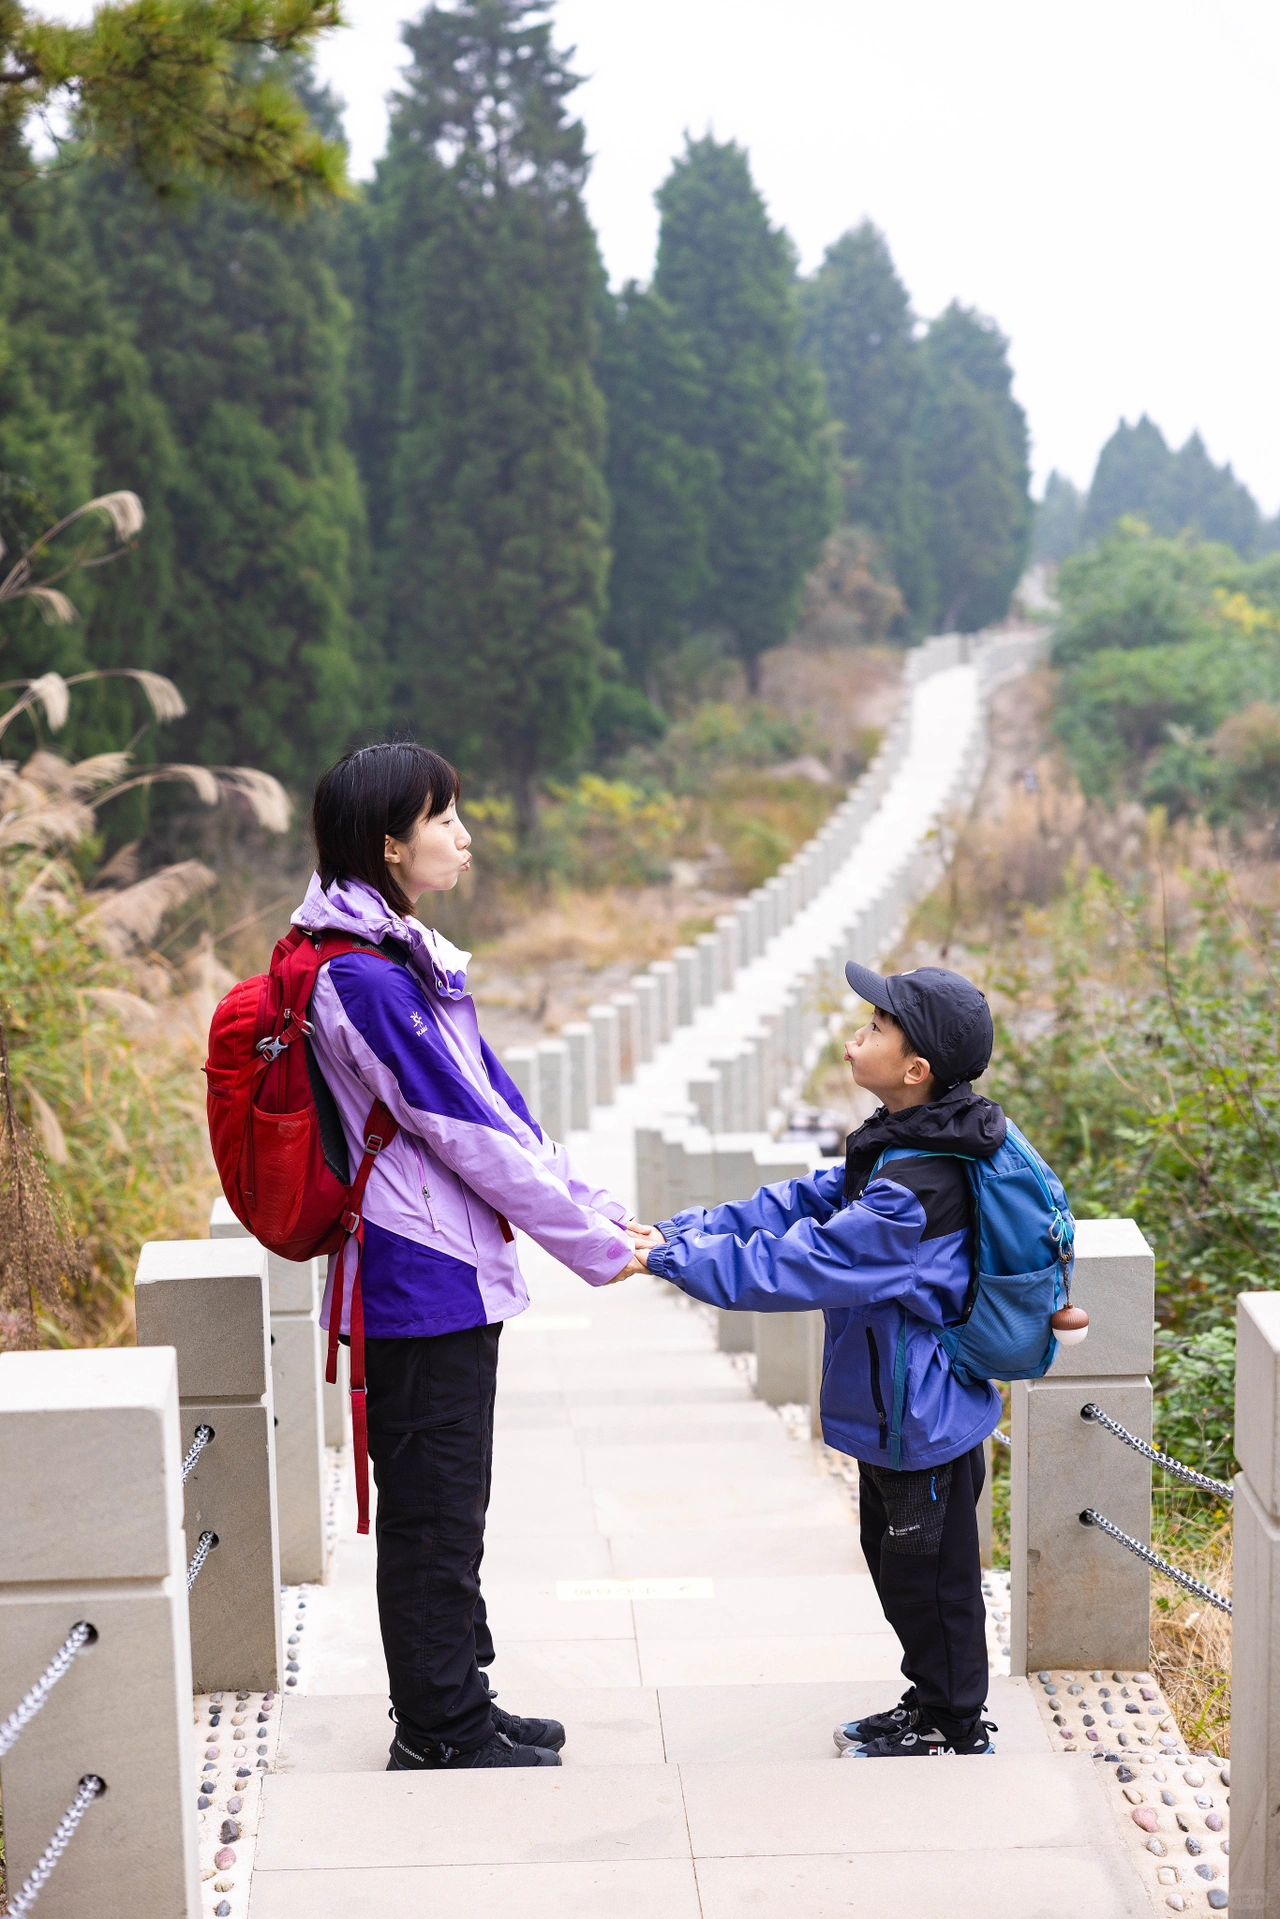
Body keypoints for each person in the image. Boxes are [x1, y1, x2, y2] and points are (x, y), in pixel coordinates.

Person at [295, 741, 645, 1772]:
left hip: (442, 1268)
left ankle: (462, 1700)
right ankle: (439, 1727)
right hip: (416, 1275)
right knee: (433, 1512)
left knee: (452, 1505)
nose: (464, 835)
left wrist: (602, 1212)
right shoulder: (362, 976)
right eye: (443, 818)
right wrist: (592, 1246)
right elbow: (466, 1132)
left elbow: (502, 1109)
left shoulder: (399, 959)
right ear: (389, 844)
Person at [634, 961, 1006, 1758]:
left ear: (916, 1069)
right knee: (896, 1560)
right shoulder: (904, 1143)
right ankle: (931, 1700)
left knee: (929, 1577)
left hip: (920, 1412)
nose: (854, 1037)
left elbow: (804, 1262)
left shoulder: (918, 1185)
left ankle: (953, 1724)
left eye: (875, 1027)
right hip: (897, 1402)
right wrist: (685, 1230)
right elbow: (799, 1202)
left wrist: (672, 1260)